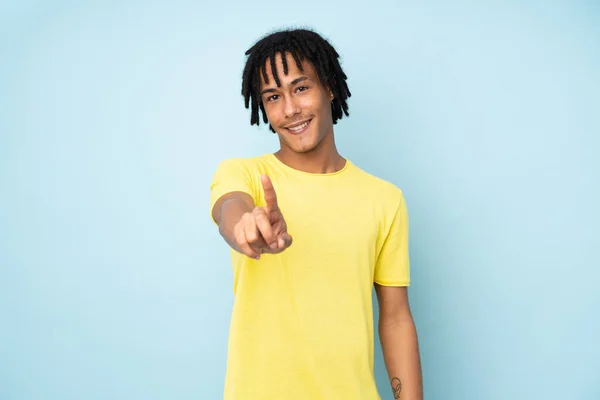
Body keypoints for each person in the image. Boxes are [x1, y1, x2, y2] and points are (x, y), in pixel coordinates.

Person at [209, 28, 423, 400]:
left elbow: (395, 318)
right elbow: (230, 208)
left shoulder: (385, 199)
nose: (290, 109)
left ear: (330, 87)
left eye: (301, 88)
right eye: (273, 97)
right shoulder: (243, 174)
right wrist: (247, 226)